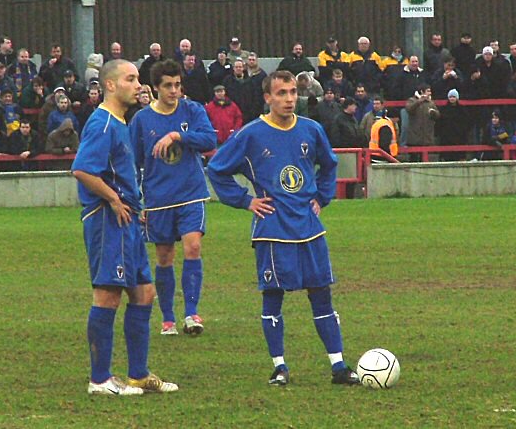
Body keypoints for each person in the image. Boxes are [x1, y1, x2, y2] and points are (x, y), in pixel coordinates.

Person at [207, 69, 361, 386]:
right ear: (268, 98)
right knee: (273, 296)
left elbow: (329, 164)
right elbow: (216, 169)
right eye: (281, 93)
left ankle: (339, 367)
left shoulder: (311, 129)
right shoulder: (251, 134)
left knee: (322, 295)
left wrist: (322, 196)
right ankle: (279, 367)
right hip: (273, 228)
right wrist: (245, 200)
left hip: (309, 226)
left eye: (292, 92)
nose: (289, 99)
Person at [71, 59, 178, 395]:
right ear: (111, 85)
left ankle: (138, 374)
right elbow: (83, 170)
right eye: (131, 79)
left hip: (128, 219)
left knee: (144, 292)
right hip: (108, 219)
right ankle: (100, 379)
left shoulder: (120, 123)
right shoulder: (101, 123)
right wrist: (115, 200)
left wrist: (134, 205)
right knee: (107, 294)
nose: (139, 85)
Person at [129, 59, 217, 336]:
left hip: (191, 193)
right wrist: (135, 201)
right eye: (168, 86)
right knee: (164, 256)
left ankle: (191, 313)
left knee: (193, 247)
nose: (174, 91)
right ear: (154, 88)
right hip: (158, 199)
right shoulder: (141, 120)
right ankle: (168, 318)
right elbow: (131, 161)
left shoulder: (193, 110)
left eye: (177, 84)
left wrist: (178, 135)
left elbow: (209, 141)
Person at [437, 89, 469, 161]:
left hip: (459, 137)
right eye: (450, 97)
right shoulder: (444, 109)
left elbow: (466, 122)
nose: (452, 98)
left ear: (457, 98)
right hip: (446, 137)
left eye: (454, 97)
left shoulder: (462, 110)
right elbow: (440, 123)